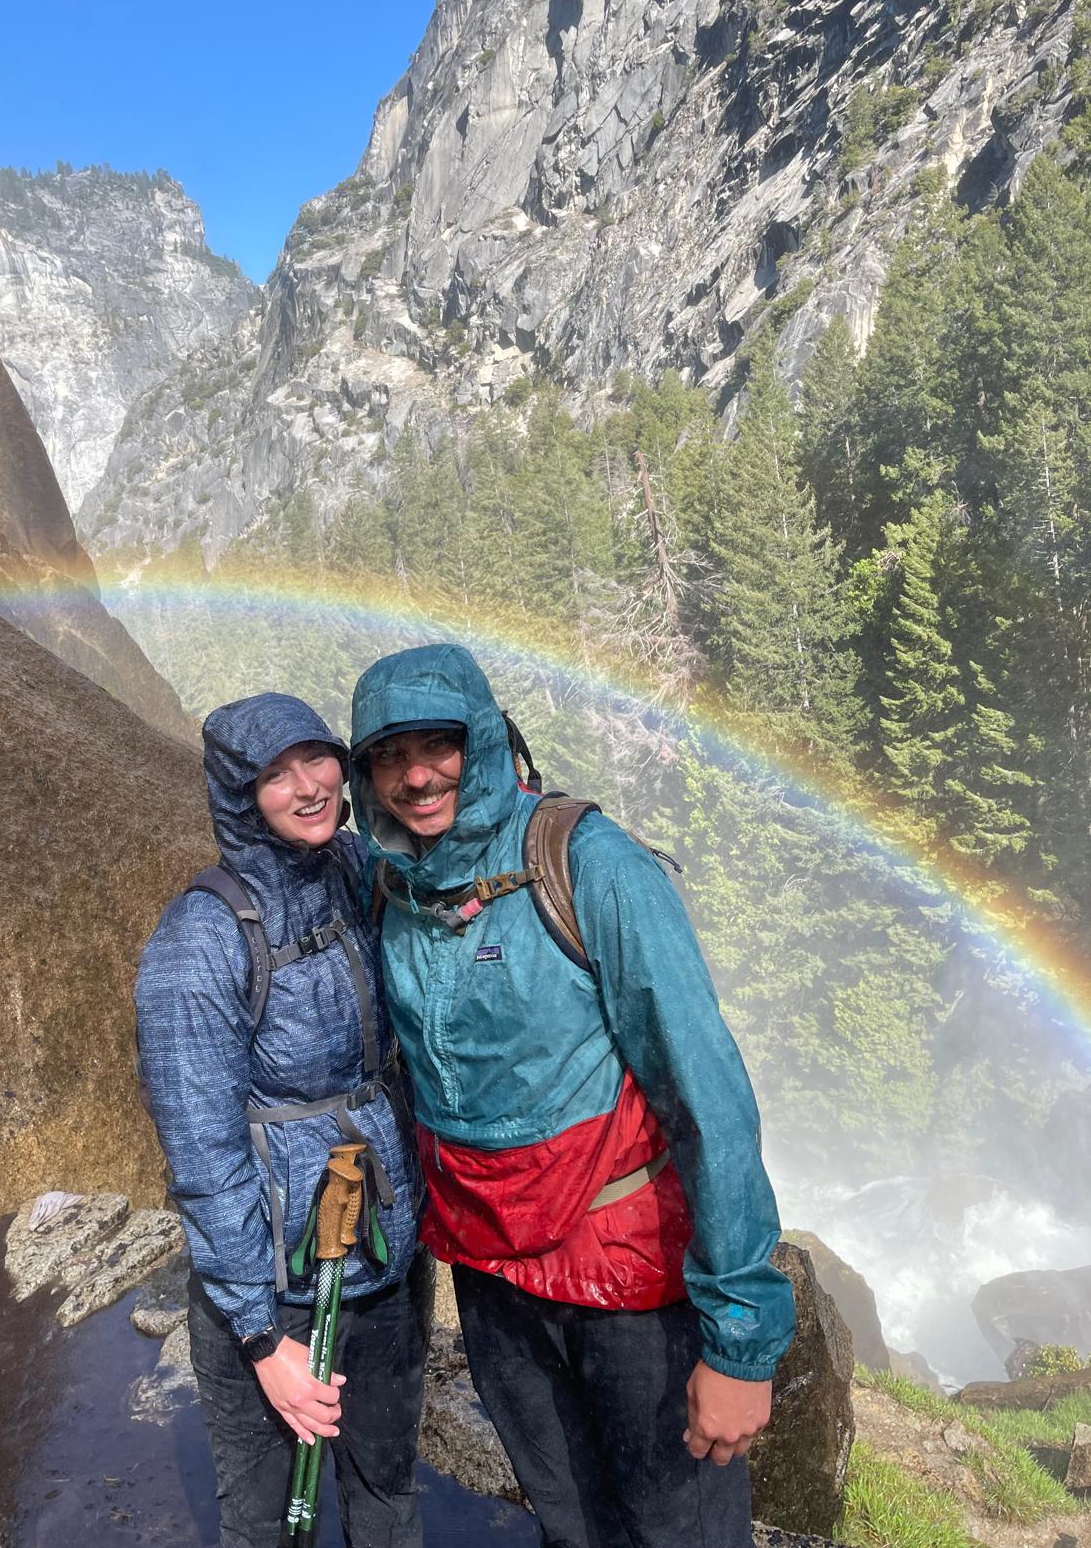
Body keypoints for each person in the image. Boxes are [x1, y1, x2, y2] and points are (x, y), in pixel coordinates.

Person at [347, 643, 795, 1548]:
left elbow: (707, 1096)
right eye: (388, 756)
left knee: (678, 1531)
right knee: (570, 1524)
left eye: (436, 745)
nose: (415, 777)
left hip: (627, 1282)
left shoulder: (589, 865)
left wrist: (740, 1344)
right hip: (494, 1284)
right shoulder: (393, 884)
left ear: (483, 739)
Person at [135, 694, 427, 1548]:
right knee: (267, 1526)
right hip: (279, 1290)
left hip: (384, 1256)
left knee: (387, 1496)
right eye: (274, 774)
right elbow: (203, 1153)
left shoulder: (351, 868)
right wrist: (263, 1341)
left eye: (317, 759)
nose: (308, 787)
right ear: (239, 795)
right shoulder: (200, 939)